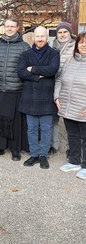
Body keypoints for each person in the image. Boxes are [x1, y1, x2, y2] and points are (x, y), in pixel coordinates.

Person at [0, 17, 30, 161]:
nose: (9, 29)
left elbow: (27, 68)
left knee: (14, 120)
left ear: (18, 28)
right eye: (7, 26)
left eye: (12, 26)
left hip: (15, 88)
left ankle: (15, 149)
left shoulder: (24, 46)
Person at [18, 26, 59, 169]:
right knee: (32, 128)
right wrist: (39, 76)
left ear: (47, 37)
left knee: (47, 128)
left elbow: (52, 69)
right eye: (37, 36)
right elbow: (21, 72)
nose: (40, 39)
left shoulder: (54, 53)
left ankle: (43, 156)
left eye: (42, 36)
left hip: (46, 96)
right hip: (30, 96)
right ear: (33, 38)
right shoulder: (25, 54)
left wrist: (33, 69)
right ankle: (34, 154)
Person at [54, 32, 86, 179]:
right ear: (77, 44)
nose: (83, 45)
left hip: (83, 108)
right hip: (67, 106)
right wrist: (56, 97)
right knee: (72, 135)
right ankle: (74, 161)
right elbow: (59, 80)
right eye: (81, 42)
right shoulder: (69, 61)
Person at [50, 21, 75, 157]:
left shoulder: (75, 47)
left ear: (70, 33)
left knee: (70, 118)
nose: (62, 34)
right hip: (53, 84)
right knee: (53, 117)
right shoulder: (53, 47)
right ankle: (54, 144)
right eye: (60, 32)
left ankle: (71, 147)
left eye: (65, 32)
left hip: (69, 86)